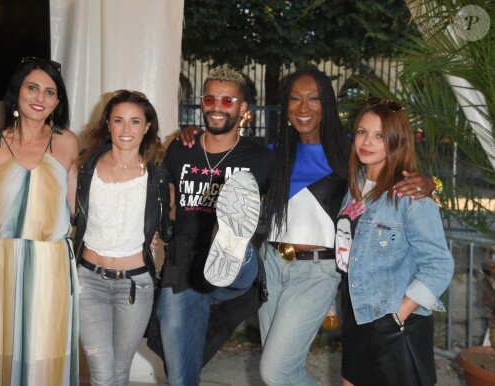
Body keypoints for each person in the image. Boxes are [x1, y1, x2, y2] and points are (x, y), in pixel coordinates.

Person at [177, 68, 438, 386]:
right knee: (278, 371)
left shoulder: (350, 152)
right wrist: (193, 134)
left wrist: (429, 182)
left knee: (275, 371)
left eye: (314, 99)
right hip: (271, 267)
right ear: (285, 107)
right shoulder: (274, 153)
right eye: (295, 99)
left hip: (317, 272)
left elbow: (394, 173)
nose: (303, 108)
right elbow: (225, 157)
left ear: (327, 104)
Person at [0, 57, 80, 385]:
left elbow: (78, 214)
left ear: (57, 101)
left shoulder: (67, 144)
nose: (40, 98)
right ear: (17, 92)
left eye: (50, 92)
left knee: (45, 365)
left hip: (51, 269)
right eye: (32, 88)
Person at [147, 68, 275, 386]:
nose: (217, 105)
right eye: (210, 98)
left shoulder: (261, 159)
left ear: (243, 109)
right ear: (202, 104)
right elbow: (162, 198)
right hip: (182, 269)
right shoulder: (180, 149)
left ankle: (232, 247)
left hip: (232, 273)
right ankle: (231, 252)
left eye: (227, 99)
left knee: (238, 259)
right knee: (180, 375)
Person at [336, 98, 454, 385]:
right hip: (357, 315)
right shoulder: (355, 186)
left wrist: (398, 315)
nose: (367, 142)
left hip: (394, 322)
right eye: (362, 132)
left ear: (396, 141)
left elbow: (439, 265)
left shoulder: (410, 197)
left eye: (379, 135)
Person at [73, 90, 172, 385]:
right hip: (88, 282)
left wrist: (151, 231)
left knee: (118, 372)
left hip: (135, 285)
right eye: (118, 120)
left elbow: (169, 222)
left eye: (134, 121)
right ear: (107, 124)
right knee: (103, 374)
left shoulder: (157, 176)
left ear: (147, 126)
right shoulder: (84, 169)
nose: (126, 129)